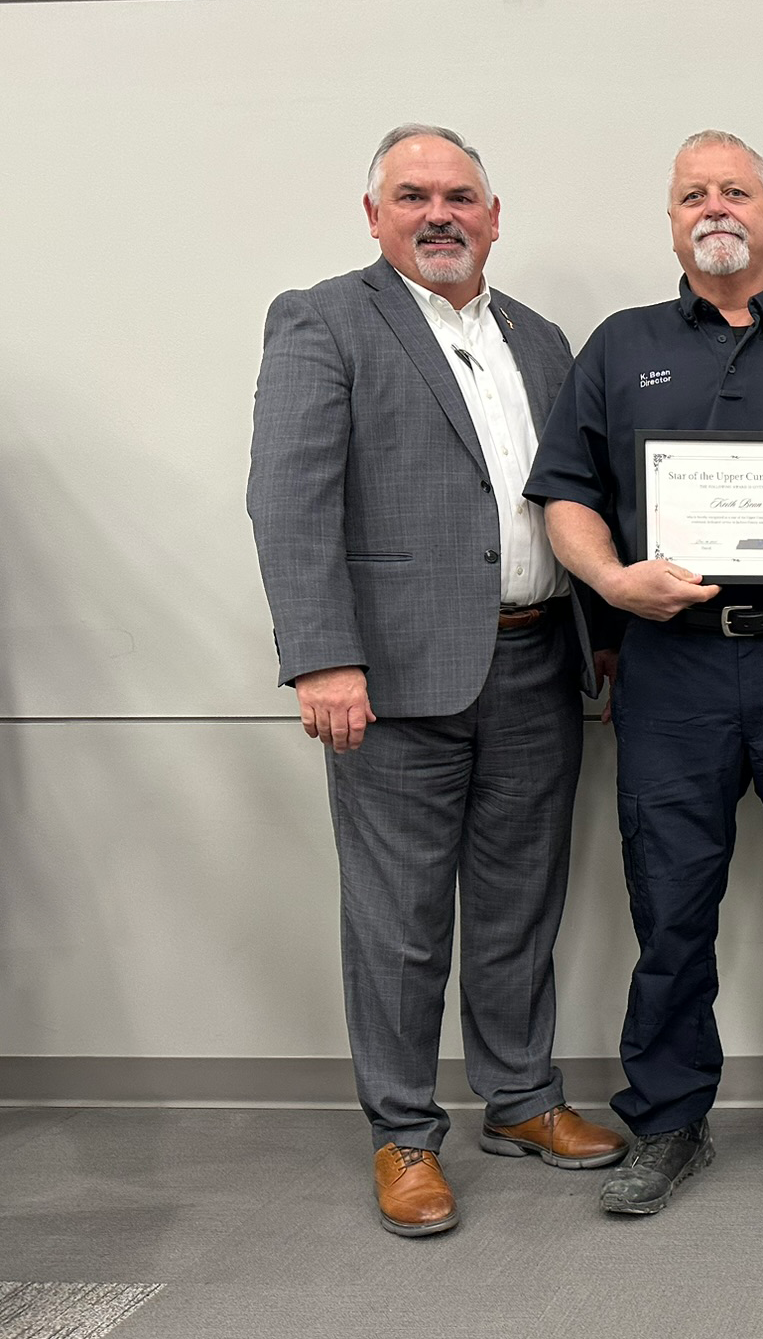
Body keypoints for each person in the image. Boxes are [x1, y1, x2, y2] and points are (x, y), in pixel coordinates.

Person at [525, 130, 763, 1215]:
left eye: (735, 190)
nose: (715, 206)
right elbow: (565, 494)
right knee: (670, 900)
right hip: (672, 666)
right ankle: (667, 1119)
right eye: (693, 193)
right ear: (671, 223)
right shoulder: (621, 346)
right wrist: (616, 582)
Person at [247, 123, 625, 1238]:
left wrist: (605, 632)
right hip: (393, 678)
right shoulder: (323, 319)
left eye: (459, 196)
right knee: (400, 919)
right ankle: (405, 1132)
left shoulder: (541, 339)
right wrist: (324, 656)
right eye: (412, 196)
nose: (438, 214)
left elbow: (579, 495)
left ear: (494, 217)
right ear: (374, 216)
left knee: (520, 902)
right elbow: (288, 497)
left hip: (537, 659)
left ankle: (521, 1097)